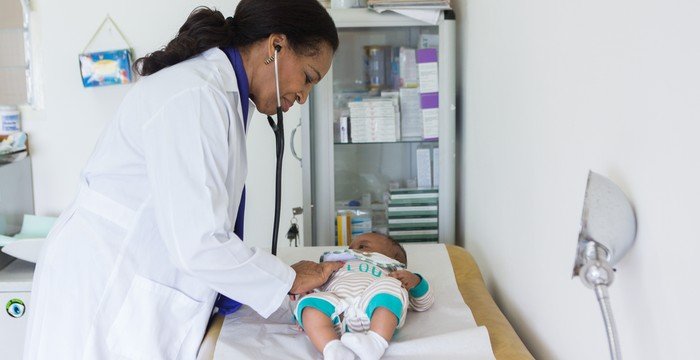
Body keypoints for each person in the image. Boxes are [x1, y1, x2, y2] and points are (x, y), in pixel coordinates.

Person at [23, 1, 341, 358]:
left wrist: (280, 285)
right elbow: (200, 242)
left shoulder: (221, 96)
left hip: (135, 281)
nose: (303, 96)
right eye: (309, 77)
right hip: (105, 286)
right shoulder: (195, 95)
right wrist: (288, 279)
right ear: (276, 46)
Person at [294, 233, 435, 360]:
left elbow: (424, 303)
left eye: (362, 246)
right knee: (309, 304)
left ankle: (376, 342)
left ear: (393, 257)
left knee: (391, 286)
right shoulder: (336, 265)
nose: (353, 249)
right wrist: (309, 291)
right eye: (350, 247)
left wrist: (416, 282)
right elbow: (317, 286)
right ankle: (333, 348)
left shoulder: (393, 269)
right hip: (336, 315)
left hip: (374, 311)